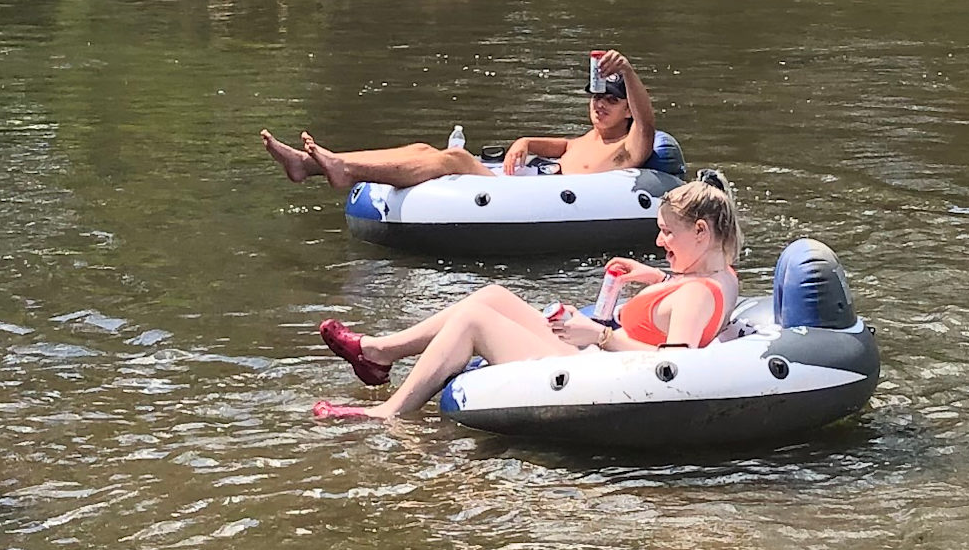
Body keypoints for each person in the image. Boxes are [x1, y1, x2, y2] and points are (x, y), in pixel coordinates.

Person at [310, 170, 743, 427]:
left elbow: (675, 367)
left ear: (701, 233)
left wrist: (598, 335)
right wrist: (656, 277)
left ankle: (391, 412)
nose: (658, 238)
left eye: (669, 232)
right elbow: (695, 294)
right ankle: (379, 352)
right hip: (600, 356)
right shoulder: (720, 275)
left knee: (476, 321)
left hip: (604, 371)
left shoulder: (696, 295)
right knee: (493, 294)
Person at [262, 48, 660, 190]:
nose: (599, 105)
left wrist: (626, 71)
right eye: (595, 97)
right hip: (522, 186)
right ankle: (308, 165)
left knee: (454, 159)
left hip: (527, 200)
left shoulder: (627, 149)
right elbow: (558, 146)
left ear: (627, 109)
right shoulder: (586, 139)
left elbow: (648, 123)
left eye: (610, 100)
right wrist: (523, 142)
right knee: (421, 149)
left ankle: (345, 169)